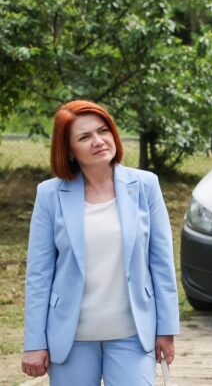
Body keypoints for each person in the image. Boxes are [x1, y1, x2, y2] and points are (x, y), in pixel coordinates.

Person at [21, 100, 180, 385]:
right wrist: (34, 342)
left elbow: (162, 263)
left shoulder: (145, 185)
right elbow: (39, 274)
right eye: (85, 137)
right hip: (70, 338)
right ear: (69, 150)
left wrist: (166, 329)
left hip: (133, 334)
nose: (98, 141)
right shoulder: (49, 194)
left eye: (103, 131)